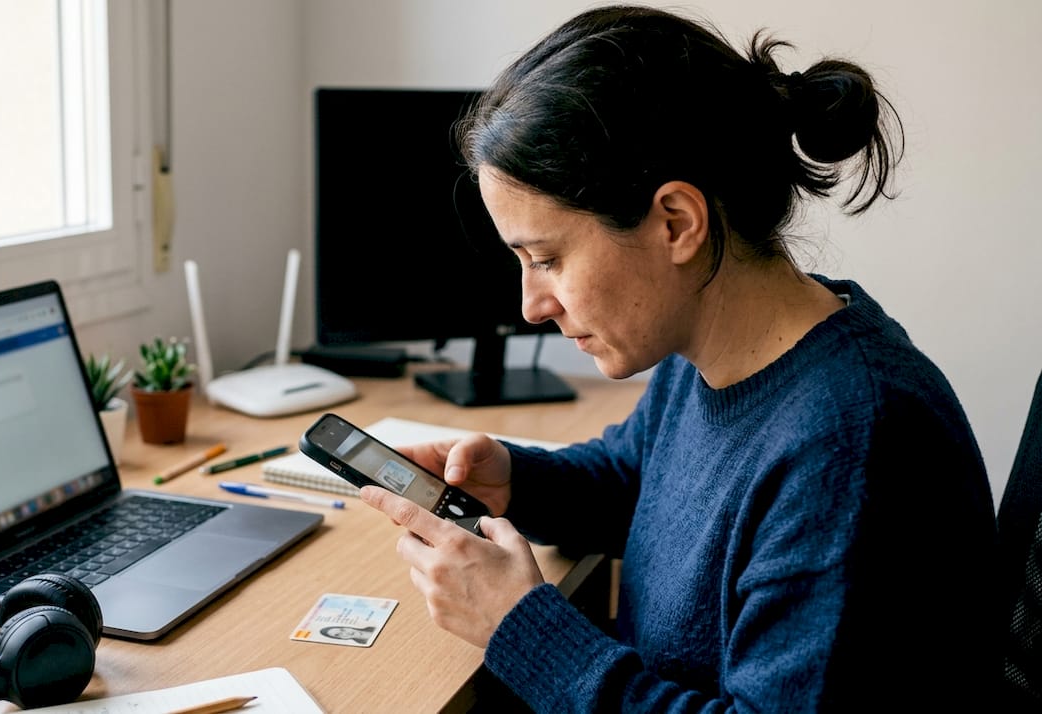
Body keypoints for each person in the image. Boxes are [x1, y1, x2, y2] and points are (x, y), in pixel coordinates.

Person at [359, 5, 1002, 712]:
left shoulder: (850, 445)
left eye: (545, 258)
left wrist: (522, 630)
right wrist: (515, 483)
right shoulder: (713, 347)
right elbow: (638, 480)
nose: (532, 305)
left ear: (676, 224)